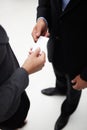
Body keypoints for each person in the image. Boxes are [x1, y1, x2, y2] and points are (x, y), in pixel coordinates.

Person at [32, 0, 87, 129]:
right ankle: (60, 89)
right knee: (59, 73)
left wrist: (86, 76)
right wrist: (42, 20)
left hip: (79, 58)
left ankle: (67, 110)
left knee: (73, 89)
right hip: (55, 47)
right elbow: (44, 4)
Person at [0, 25, 46, 130]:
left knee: (22, 107)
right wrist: (25, 70)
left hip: (17, 88)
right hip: (7, 112)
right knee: (14, 121)